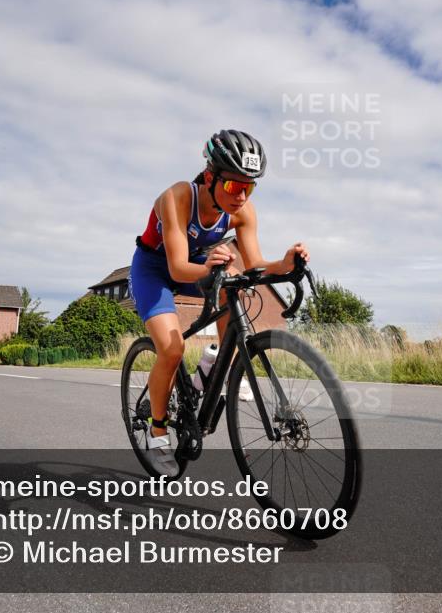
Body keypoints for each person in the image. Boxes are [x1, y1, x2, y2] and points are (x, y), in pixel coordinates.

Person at [129, 130, 310, 476]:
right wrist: (213, 265)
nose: (241, 195)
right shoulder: (179, 196)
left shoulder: (243, 211)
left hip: (198, 265)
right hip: (155, 268)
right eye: (233, 186)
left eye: (249, 187)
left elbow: (255, 264)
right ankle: (156, 433)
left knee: (238, 287)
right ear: (210, 177)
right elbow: (177, 267)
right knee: (171, 348)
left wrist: (285, 263)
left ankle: (218, 366)